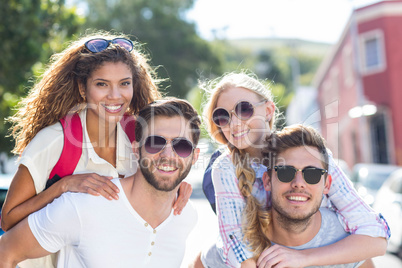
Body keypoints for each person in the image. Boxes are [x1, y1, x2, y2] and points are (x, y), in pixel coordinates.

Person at [2, 33, 191, 268]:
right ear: (83, 88)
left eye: (124, 83)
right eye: (102, 84)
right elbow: (8, 220)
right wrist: (64, 186)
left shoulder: (138, 134)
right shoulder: (54, 141)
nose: (115, 95)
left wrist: (175, 186)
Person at [190, 72, 388, 267]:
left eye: (244, 109)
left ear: (268, 111)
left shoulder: (311, 153)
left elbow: (373, 231)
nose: (233, 123)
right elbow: (237, 247)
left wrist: (303, 258)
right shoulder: (225, 168)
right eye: (222, 116)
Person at [0, 98, 201, 268]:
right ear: (136, 150)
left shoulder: (186, 215)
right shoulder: (84, 206)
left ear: (194, 156)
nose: (167, 155)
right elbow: (5, 251)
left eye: (181, 146)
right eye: (155, 142)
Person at [242, 124, 373, 268]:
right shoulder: (242, 250)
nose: (299, 183)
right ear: (267, 181)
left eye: (312, 174)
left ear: (327, 185)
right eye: (285, 172)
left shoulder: (349, 241)